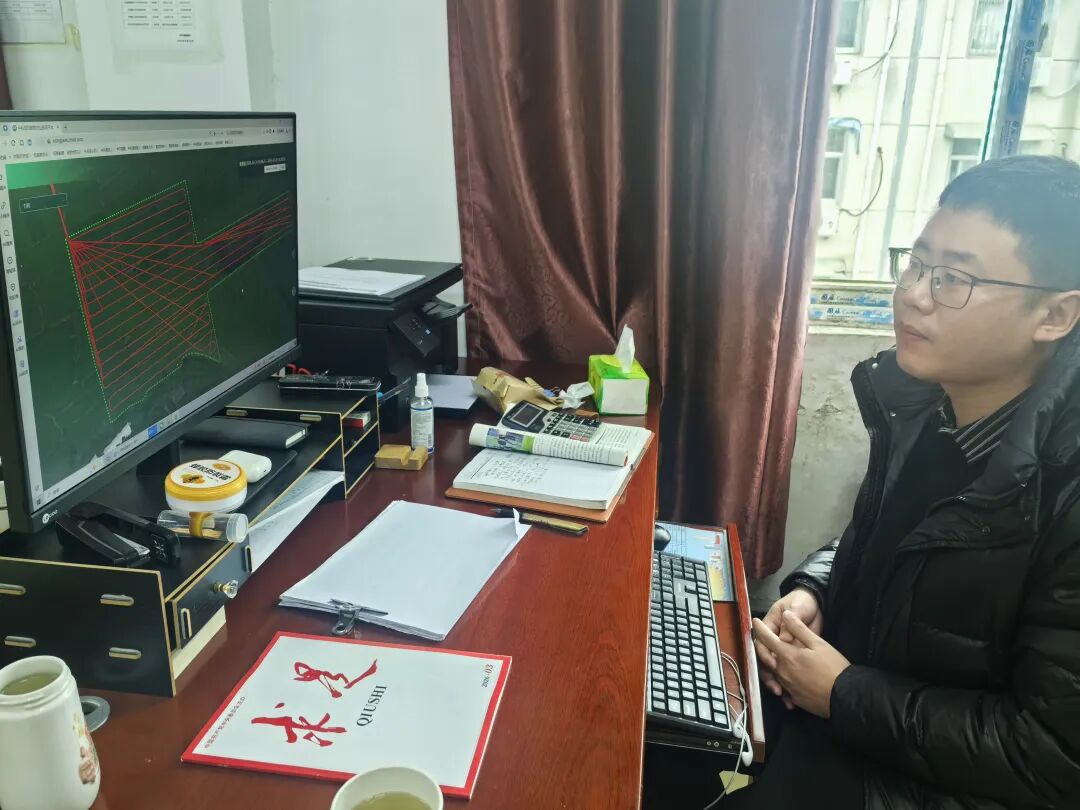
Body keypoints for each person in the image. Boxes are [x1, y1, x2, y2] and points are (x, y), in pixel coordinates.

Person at [643, 155, 1080, 809]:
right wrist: (816, 589)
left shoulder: (1064, 486)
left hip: (931, 782)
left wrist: (844, 693)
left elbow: (1051, 754)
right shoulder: (927, 409)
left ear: (1055, 315)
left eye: (954, 279)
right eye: (916, 264)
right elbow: (882, 544)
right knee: (639, 727)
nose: (914, 295)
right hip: (857, 718)